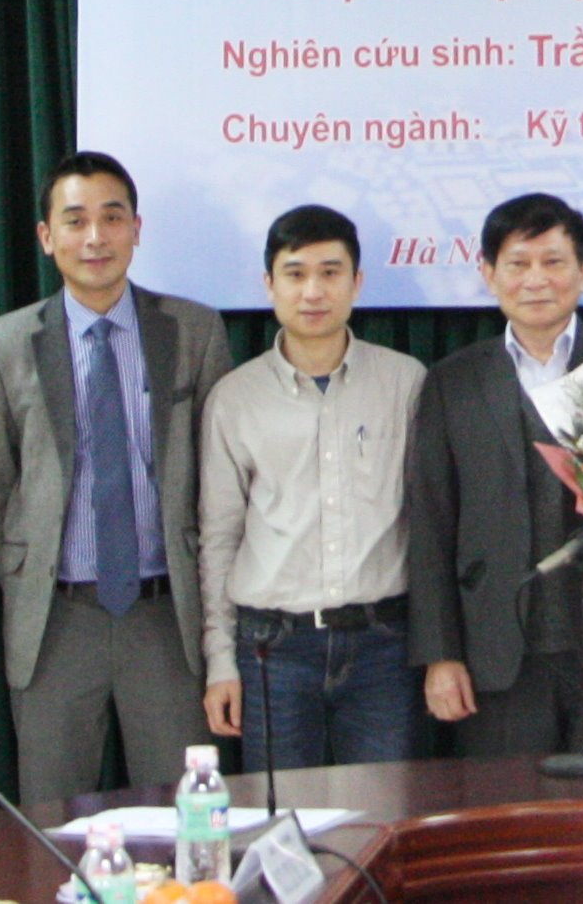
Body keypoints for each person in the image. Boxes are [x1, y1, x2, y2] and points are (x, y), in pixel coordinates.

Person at [0, 151, 233, 803]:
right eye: (75, 220)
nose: (95, 237)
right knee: (53, 819)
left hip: (167, 618)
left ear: (136, 229)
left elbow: (217, 477)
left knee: (183, 815)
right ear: (46, 236)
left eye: (112, 218)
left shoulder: (194, 331)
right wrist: (31, 576)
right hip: (57, 621)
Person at [407, 192, 583, 755]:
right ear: (488, 274)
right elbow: (431, 524)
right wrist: (441, 655)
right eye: (517, 264)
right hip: (496, 655)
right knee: (512, 805)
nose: (536, 280)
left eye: (553, 262)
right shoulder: (454, 381)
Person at [199, 205, 427, 766]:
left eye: (330, 272)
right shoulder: (235, 397)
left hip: (383, 646)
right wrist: (220, 660)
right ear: (269, 284)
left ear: (358, 282)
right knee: (280, 814)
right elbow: (219, 537)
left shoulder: (405, 382)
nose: (313, 291)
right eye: (295, 274)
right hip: (272, 649)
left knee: (382, 810)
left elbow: (432, 521)